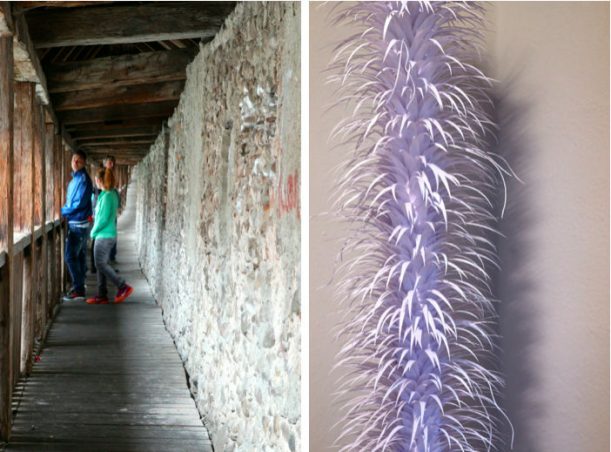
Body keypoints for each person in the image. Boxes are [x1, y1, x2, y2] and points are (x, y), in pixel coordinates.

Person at [87, 167, 133, 305]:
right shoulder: (111, 193)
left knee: (100, 264)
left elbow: (103, 219)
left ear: (99, 180)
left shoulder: (107, 196)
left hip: (104, 235)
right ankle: (102, 295)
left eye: (96, 179)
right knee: (101, 264)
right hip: (108, 234)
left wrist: (93, 232)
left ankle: (122, 286)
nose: (95, 181)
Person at [61, 150, 93, 301]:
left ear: (84, 163)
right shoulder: (76, 178)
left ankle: (79, 289)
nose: (75, 163)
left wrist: (63, 211)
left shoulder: (83, 180)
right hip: (77, 222)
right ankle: (80, 285)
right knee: (79, 256)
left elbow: (79, 203)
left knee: (69, 257)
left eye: (78, 161)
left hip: (78, 224)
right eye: (73, 159)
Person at [103, 155, 118, 264]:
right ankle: (110, 255)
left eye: (112, 162)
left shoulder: (109, 173)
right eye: (109, 162)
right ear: (105, 164)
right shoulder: (107, 174)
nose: (111, 164)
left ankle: (110, 256)